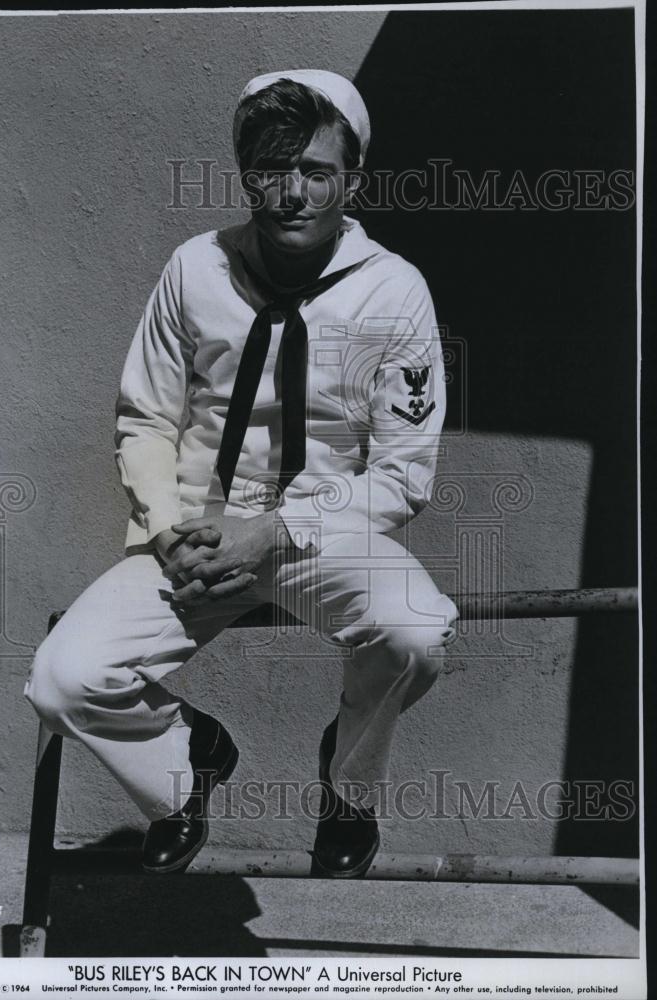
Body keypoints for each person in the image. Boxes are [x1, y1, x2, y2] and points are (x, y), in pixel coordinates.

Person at [24, 69, 458, 879]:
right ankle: (187, 767)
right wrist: (162, 526)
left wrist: (273, 527)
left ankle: (348, 788)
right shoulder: (195, 268)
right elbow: (146, 416)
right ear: (244, 174)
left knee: (414, 631)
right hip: (194, 531)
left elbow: (402, 477)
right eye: (269, 170)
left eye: (316, 172)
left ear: (351, 179)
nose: (291, 193)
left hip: (314, 533)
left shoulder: (394, 293)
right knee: (62, 682)